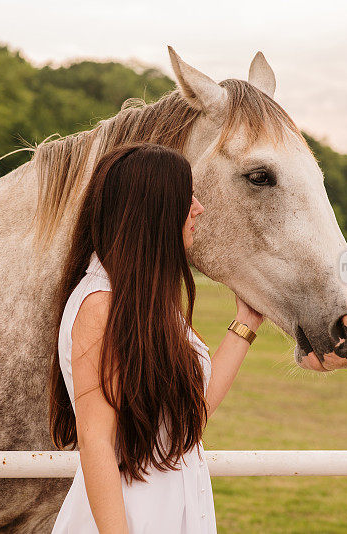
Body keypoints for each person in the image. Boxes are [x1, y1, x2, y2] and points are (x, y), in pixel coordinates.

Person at [48, 142, 264, 533]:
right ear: (154, 210)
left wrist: (245, 324)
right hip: (131, 519)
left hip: (174, 513)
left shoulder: (144, 300)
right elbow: (96, 443)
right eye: (186, 197)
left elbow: (187, 419)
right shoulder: (100, 305)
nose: (198, 208)